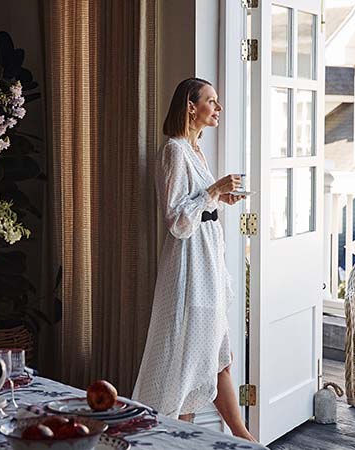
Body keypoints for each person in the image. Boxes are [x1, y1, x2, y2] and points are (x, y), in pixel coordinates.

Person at [133, 78, 256, 442]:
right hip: (188, 264)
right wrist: (214, 191)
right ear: (190, 106)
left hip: (208, 257)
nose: (217, 109)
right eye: (211, 102)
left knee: (216, 354)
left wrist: (218, 199)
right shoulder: (173, 151)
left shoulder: (196, 150)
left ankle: (234, 437)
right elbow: (175, 220)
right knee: (190, 357)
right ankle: (237, 438)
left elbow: (198, 205)